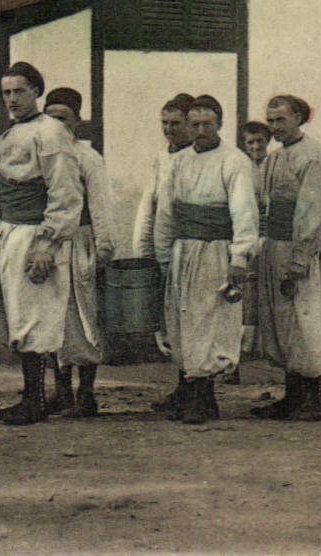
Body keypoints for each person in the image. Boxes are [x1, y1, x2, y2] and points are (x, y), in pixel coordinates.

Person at [0, 63, 85, 426]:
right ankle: (29, 396)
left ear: (36, 91)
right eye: (7, 92)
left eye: (19, 91)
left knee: (37, 319)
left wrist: (48, 244)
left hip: (36, 237)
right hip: (10, 234)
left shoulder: (52, 133)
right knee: (19, 317)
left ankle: (37, 401)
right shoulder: (10, 134)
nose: (12, 99)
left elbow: (65, 195)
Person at [153, 94, 257, 423]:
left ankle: (202, 397)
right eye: (194, 125)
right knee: (182, 322)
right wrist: (163, 254)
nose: (200, 131)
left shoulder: (234, 160)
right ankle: (192, 393)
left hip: (215, 251)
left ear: (220, 125)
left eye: (206, 124)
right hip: (183, 250)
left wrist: (240, 256)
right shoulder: (177, 162)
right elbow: (166, 213)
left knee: (208, 323)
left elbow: (244, 213)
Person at [251, 94, 321, 422]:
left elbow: (313, 214)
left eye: (280, 120)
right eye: (270, 121)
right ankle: (292, 396)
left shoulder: (315, 157)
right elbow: (264, 203)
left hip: (302, 254)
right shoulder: (274, 158)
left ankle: (312, 399)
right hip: (275, 247)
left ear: (299, 118)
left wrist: (300, 259)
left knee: (306, 323)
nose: (274, 127)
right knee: (284, 323)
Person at [41, 88, 108, 418]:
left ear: (77, 122)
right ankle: (61, 391)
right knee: (52, 317)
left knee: (83, 317)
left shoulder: (87, 158)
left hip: (80, 243)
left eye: (63, 119)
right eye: (50, 118)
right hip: (48, 244)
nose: (56, 125)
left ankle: (87, 394)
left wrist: (104, 247)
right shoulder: (39, 153)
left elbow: (101, 206)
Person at [130, 94, 194, 413]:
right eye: (164, 124)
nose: (169, 130)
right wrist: (144, 252)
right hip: (163, 252)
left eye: (175, 124)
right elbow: (149, 207)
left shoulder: (198, 159)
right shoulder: (161, 159)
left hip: (193, 254)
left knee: (192, 322)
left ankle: (196, 391)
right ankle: (183, 387)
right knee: (171, 324)